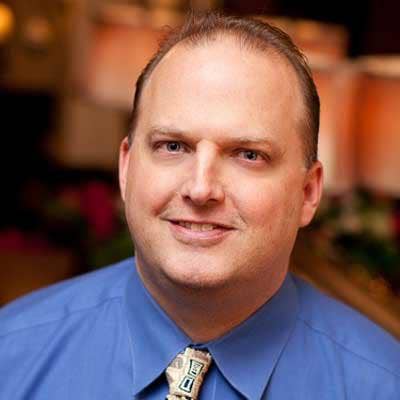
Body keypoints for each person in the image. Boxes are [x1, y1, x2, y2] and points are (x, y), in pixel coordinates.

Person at [0, 12, 399, 400]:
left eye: (248, 154)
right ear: (126, 168)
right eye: (173, 146)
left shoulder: (384, 385)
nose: (200, 188)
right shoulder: (12, 354)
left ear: (308, 192)